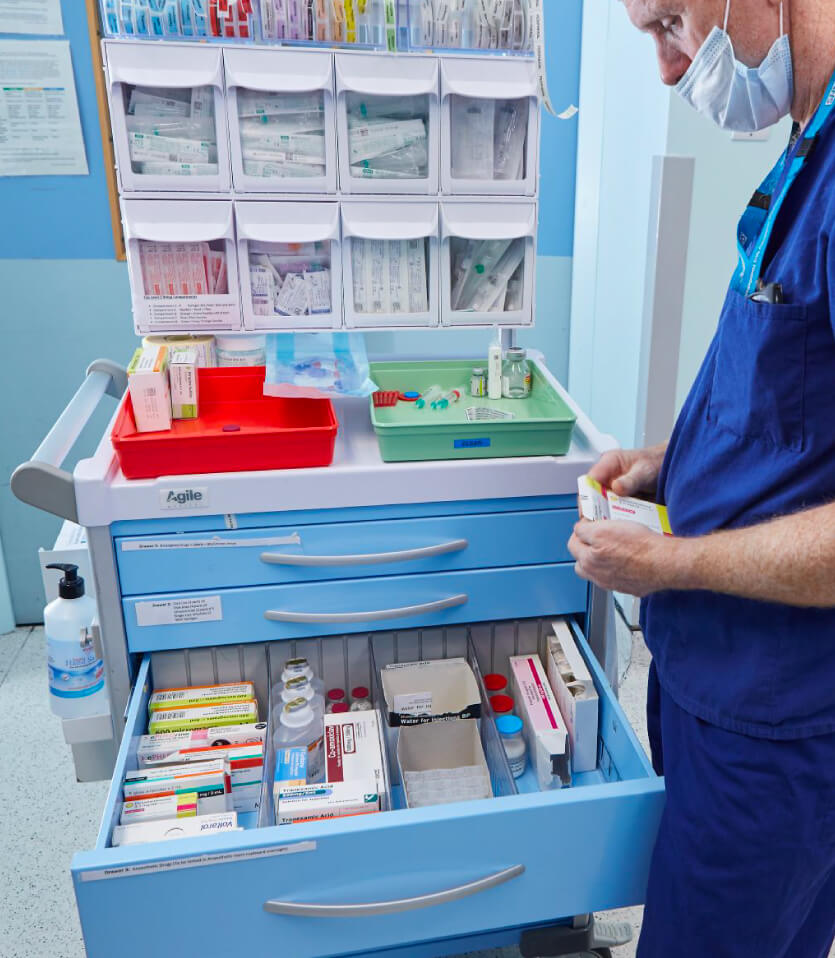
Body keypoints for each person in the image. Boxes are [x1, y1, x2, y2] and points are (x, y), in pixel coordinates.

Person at [567, 0, 835, 955]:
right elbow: (794, 410)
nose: (672, 70)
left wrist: (668, 566)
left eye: (672, 22)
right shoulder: (808, 146)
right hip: (714, 683)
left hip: (781, 721)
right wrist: (669, 464)